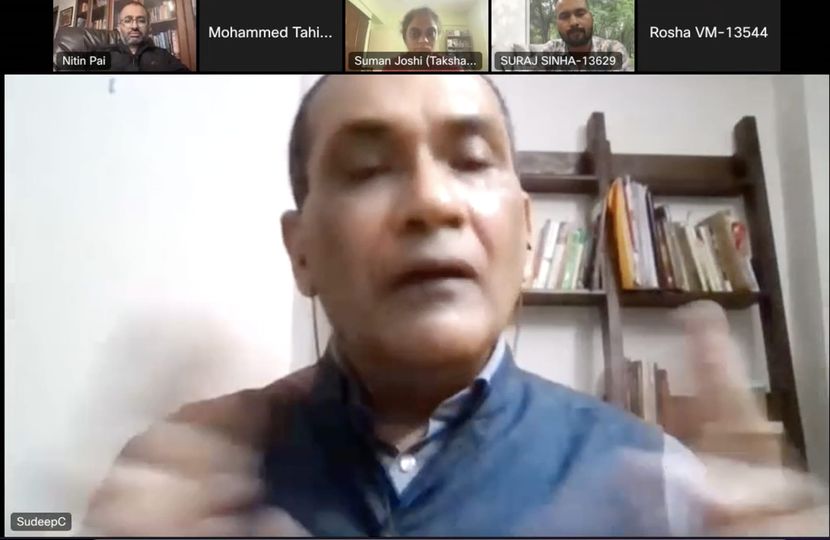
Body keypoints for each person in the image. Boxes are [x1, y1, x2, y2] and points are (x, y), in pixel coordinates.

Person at [83, 75, 828, 536]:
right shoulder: (189, 487)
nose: (432, 202)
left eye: (470, 161)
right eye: (368, 168)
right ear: (299, 248)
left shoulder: (661, 490)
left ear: (526, 230)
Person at [512, 0, 632, 72]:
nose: (573, 22)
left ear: (591, 17)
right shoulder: (550, 50)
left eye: (580, 13)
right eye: (564, 16)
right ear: (557, 24)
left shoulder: (612, 50)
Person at [103, 1, 189, 72]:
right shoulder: (104, 54)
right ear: (119, 28)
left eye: (141, 21)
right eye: (127, 21)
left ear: (149, 27)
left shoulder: (163, 55)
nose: (134, 26)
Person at [381, 7, 467, 72]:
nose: (424, 40)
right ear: (405, 37)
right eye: (414, 34)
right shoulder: (392, 67)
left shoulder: (451, 68)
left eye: (430, 33)